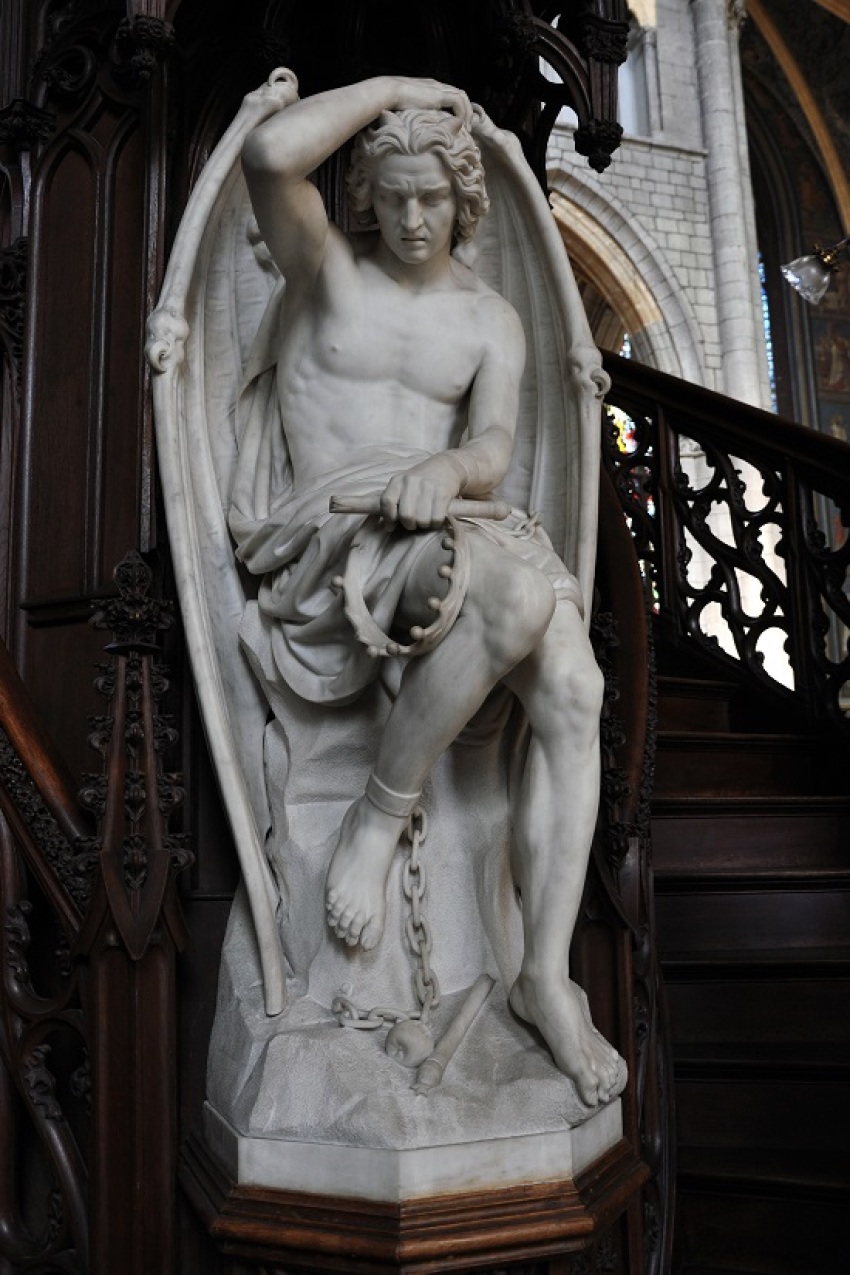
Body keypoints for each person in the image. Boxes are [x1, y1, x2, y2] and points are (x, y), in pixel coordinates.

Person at [236, 75, 620, 1106]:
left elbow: (493, 443)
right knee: (518, 601)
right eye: (396, 196)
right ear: (367, 196)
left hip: (446, 519)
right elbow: (268, 156)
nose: (414, 219)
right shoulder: (326, 273)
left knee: (576, 690)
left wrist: (448, 471)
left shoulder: (490, 319)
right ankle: (376, 818)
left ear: (465, 199)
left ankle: (543, 973)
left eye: (435, 198)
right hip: (335, 533)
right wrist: (403, 91)